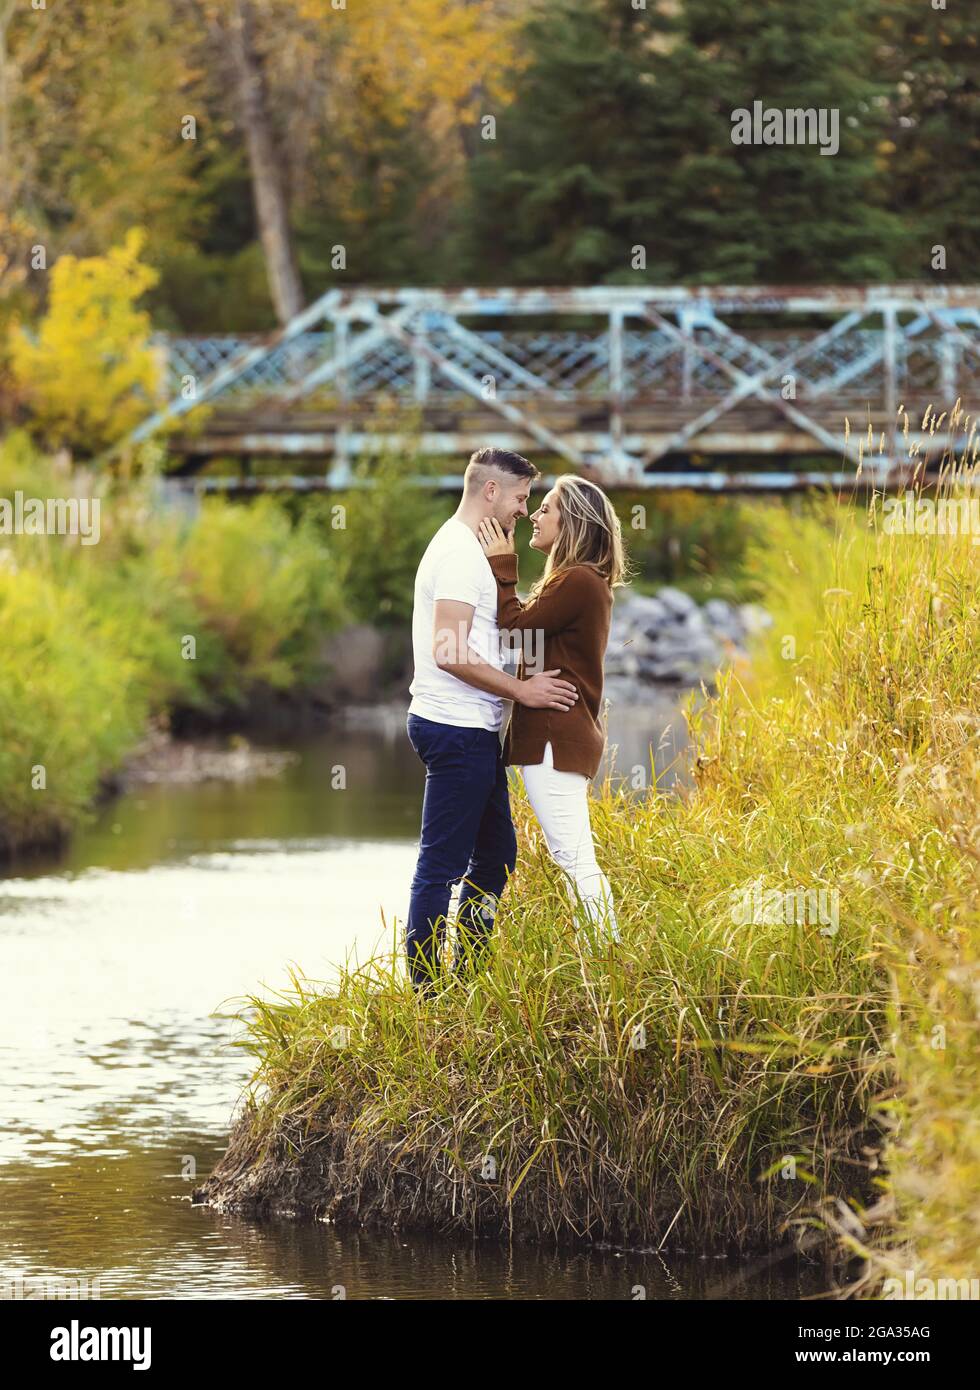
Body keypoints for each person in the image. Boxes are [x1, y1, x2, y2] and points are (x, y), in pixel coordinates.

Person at [405, 447, 580, 992]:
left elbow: (496, 631)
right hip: (454, 729)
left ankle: (467, 980)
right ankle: (429, 995)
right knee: (440, 867)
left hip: (470, 729)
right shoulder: (458, 553)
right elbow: (450, 651)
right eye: (521, 498)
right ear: (489, 492)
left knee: (498, 856)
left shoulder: (471, 551)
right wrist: (523, 692)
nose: (524, 511)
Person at [478, 474, 625, 944]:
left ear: (573, 522)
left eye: (546, 508)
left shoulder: (579, 580)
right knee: (573, 856)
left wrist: (503, 567)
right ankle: (604, 957)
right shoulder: (573, 581)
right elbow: (531, 641)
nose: (534, 516)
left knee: (575, 857)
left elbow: (515, 628)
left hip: (554, 740)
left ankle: (610, 962)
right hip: (553, 738)